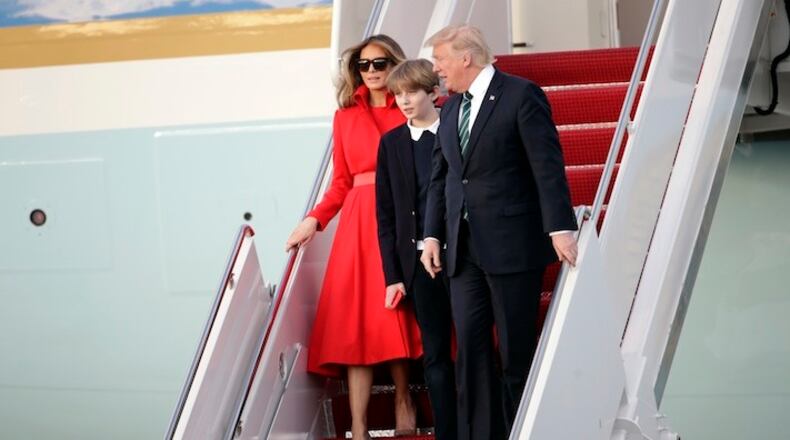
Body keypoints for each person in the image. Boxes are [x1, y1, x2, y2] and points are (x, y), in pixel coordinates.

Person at [419, 24, 579, 440]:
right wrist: (432, 235)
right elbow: (442, 179)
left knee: (515, 352)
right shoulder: (450, 109)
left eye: (441, 60)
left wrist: (560, 227)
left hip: (511, 247)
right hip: (462, 251)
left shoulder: (521, 95)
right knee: (470, 353)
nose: (436, 69)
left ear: (466, 58)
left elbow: (546, 166)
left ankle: (527, 431)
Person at [285, 35, 421, 440]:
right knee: (357, 323)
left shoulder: (412, 106)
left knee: (395, 312)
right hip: (360, 222)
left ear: (395, 64)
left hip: (402, 214)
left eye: (380, 64)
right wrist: (313, 220)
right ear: (356, 70)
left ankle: (402, 399)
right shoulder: (344, 117)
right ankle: (358, 426)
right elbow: (340, 182)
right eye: (364, 65)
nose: (373, 72)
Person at [375, 59, 457, 440]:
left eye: (411, 93)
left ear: (432, 92)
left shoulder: (457, 129)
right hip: (418, 266)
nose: (403, 101)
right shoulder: (391, 143)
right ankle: (447, 431)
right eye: (398, 95)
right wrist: (393, 275)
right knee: (436, 353)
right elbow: (386, 214)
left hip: (465, 256)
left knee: (477, 348)